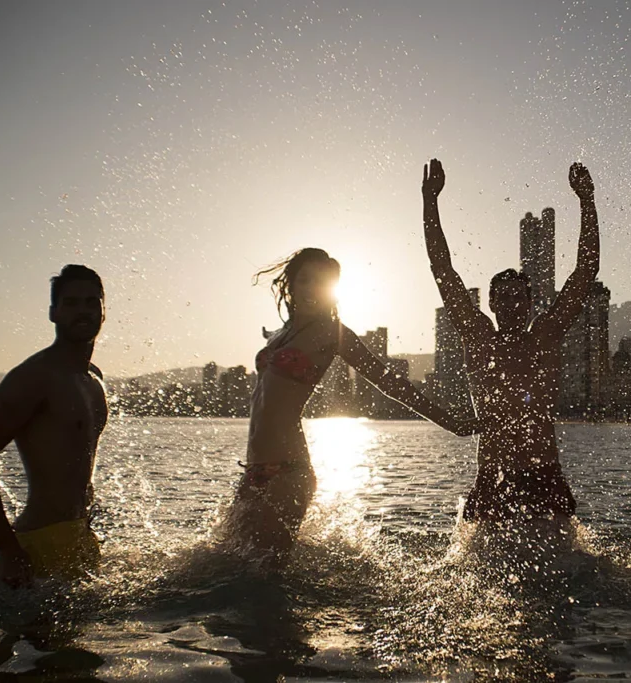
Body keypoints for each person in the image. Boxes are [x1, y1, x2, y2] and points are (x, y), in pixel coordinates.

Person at [231, 247, 478, 560]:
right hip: (253, 469)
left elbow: (389, 382)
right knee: (234, 565)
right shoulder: (282, 333)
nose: (310, 290)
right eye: (304, 280)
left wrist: (450, 421)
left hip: (288, 471)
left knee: (263, 575)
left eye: (320, 282)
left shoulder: (332, 333)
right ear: (290, 283)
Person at [421, 158, 600, 522]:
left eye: (518, 297)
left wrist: (586, 199)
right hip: (492, 477)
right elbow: (443, 269)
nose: (511, 305)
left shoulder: (544, 337)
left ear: (531, 303)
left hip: (544, 474)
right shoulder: (479, 336)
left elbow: (586, 269)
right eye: (503, 298)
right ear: (490, 303)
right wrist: (430, 200)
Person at [0, 265, 107, 586]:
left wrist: (88, 522)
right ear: (53, 312)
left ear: (103, 312)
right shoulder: (34, 378)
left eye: (91, 302)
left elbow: (80, 462)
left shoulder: (94, 379)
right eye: (71, 303)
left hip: (79, 536)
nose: (83, 311)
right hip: (40, 544)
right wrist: (8, 550)